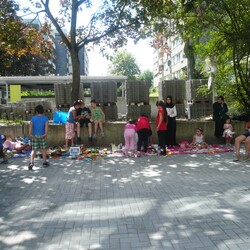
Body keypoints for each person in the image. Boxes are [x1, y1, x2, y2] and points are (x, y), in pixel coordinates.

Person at [28, 105, 49, 170]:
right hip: (42, 135)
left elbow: (30, 127)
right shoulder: (45, 118)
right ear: (42, 111)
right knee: (43, 149)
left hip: (34, 136)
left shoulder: (33, 118)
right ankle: (44, 162)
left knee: (34, 150)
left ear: (36, 111)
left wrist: (30, 134)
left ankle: (31, 162)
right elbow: (46, 127)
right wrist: (45, 134)